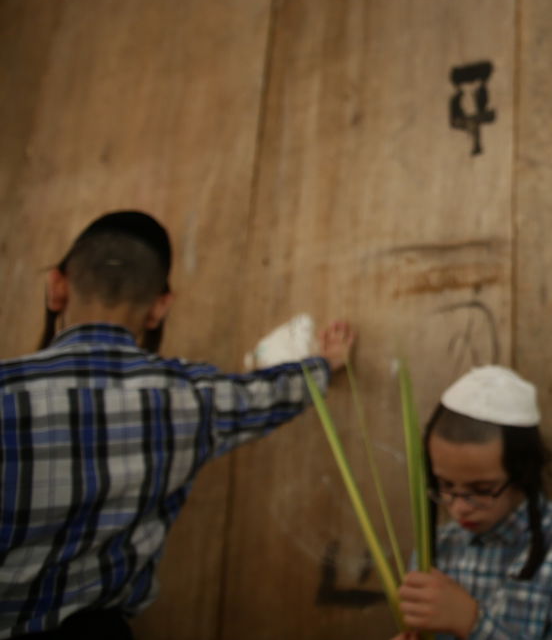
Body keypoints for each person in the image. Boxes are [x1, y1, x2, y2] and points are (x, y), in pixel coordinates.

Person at [0, 211, 354, 639]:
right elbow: (266, 395)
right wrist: (324, 365)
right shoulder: (189, 396)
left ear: (57, 286)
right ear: (159, 307)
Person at [392, 365, 552, 640]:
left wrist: (471, 621)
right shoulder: (436, 548)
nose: (459, 507)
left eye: (482, 489)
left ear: (522, 474)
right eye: (445, 486)